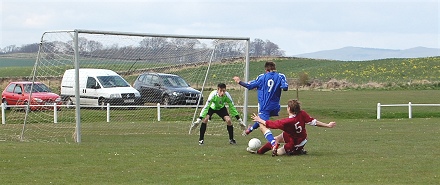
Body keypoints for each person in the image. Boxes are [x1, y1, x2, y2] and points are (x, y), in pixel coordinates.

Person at [233, 61, 288, 152]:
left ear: (266, 69)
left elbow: (249, 86)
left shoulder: (262, 77)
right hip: (275, 106)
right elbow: (285, 88)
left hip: (265, 106)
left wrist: (239, 81)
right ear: (274, 68)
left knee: (263, 126)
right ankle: (249, 130)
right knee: (260, 119)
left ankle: (273, 142)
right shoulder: (281, 76)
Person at [250, 99, 336, 156]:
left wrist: (259, 119)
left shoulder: (287, 122)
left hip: (297, 142)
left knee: (278, 153)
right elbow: (314, 122)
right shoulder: (302, 113)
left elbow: (272, 124)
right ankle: (259, 152)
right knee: (276, 139)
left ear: (289, 109)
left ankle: (297, 151)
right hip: (292, 135)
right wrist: (327, 125)